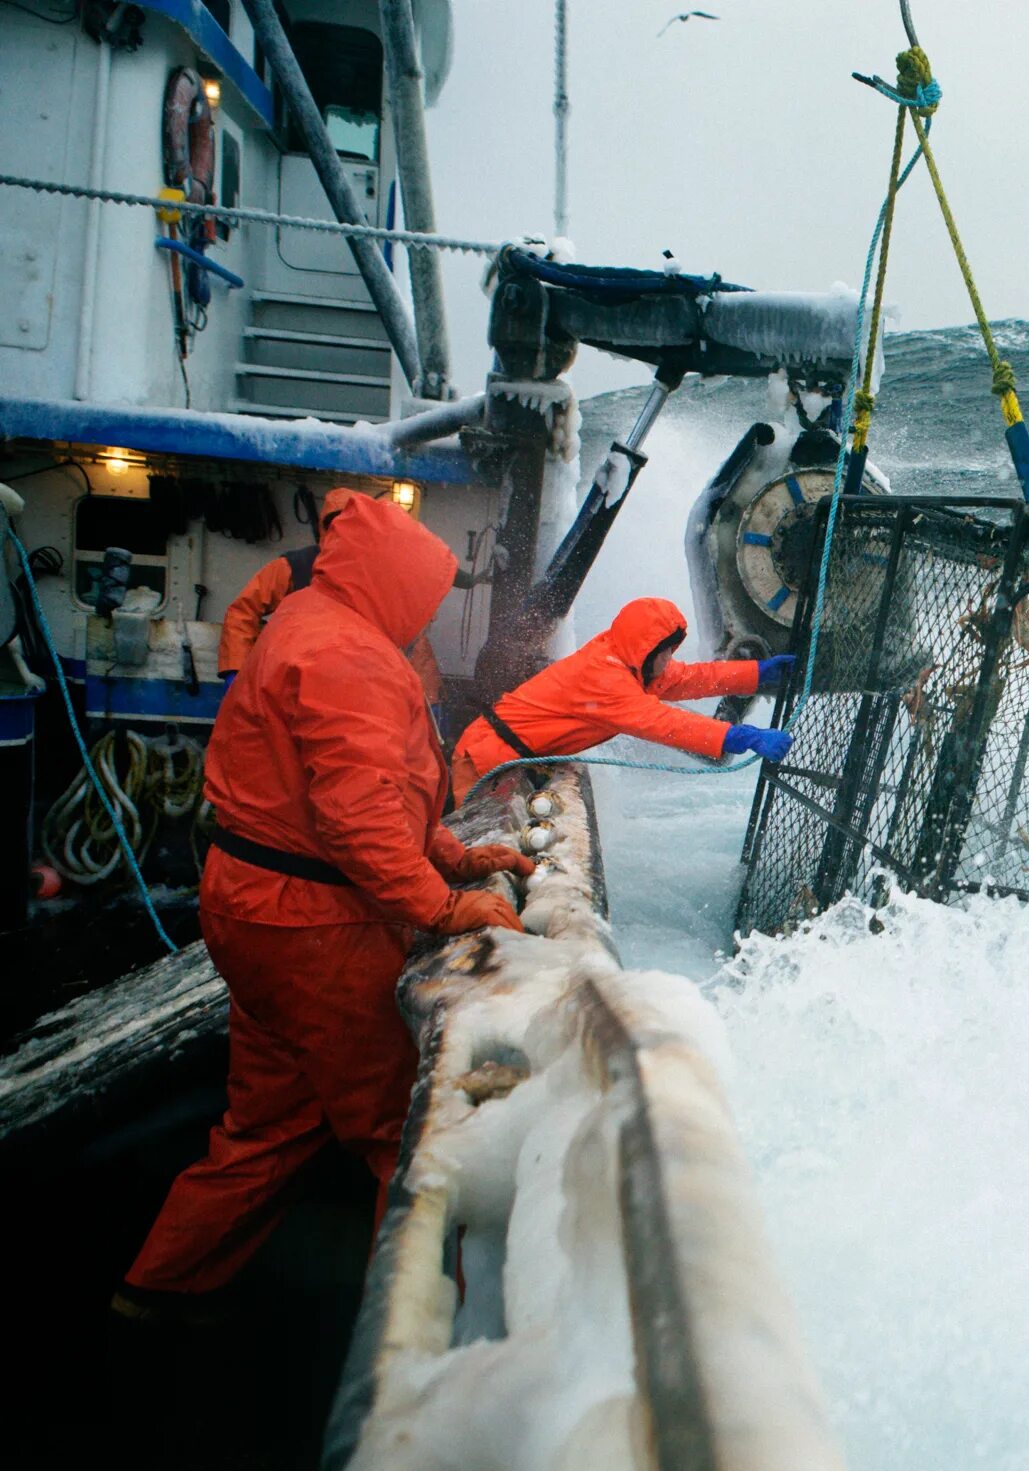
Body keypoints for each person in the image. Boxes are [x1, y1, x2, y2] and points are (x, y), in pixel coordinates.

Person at [114, 494, 532, 1318]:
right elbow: (361, 820)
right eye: (426, 593)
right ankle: (408, 1343)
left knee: (267, 1121)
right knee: (405, 1133)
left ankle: (151, 1292)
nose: (428, 611)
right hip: (314, 930)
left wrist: (458, 855)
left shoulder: (308, 623)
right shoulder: (353, 658)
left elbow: (364, 795)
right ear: (397, 583)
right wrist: (446, 907)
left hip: (252, 910)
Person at [448, 596, 795, 801]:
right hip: (485, 761)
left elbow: (693, 677)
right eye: (667, 652)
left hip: (507, 758)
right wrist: (739, 737)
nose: (670, 661)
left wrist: (757, 673)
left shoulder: (629, 660)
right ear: (647, 649)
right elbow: (662, 723)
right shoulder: (607, 677)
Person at [217, 485, 476, 709]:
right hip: (293, 686)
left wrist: (427, 702)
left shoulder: (378, 571)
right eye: (336, 523)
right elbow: (243, 611)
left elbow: (412, 641)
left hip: (359, 690)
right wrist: (236, 669)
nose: (343, 530)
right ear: (325, 528)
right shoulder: (292, 567)